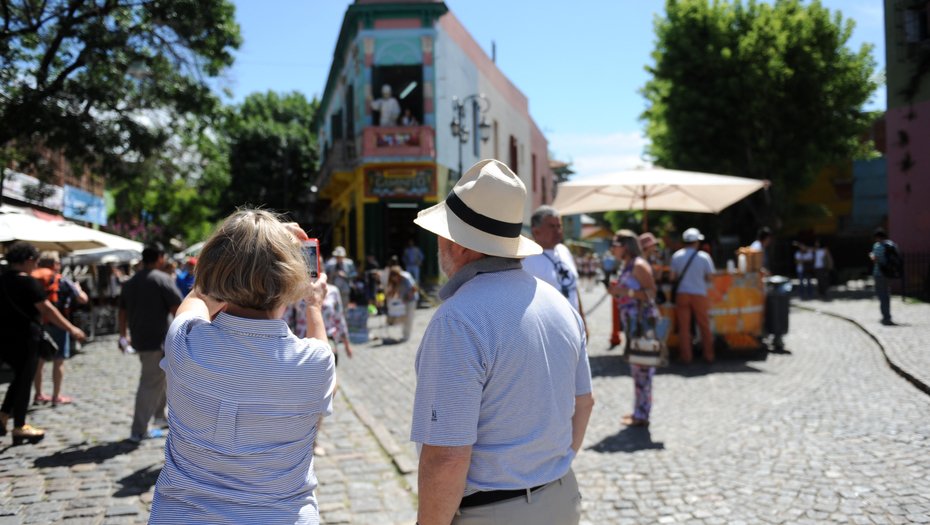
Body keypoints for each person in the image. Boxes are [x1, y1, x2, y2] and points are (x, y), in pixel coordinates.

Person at [410, 159, 594, 525]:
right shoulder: (558, 302)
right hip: (560, 497)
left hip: (492, 512)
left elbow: (446, 455)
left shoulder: (457, 320)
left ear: (456, 243)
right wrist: (544, 474)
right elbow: (584, 403)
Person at [149, 209, 335, 524]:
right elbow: (322, 347)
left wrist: (248, 243)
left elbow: (200, 294)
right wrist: (314, 305)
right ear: (292, 277)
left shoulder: (185, 341)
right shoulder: (313, 363)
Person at [0, 242, 86, 445]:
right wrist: (71, 329)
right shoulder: (28, 283)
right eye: (35, 261)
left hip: (3, 338)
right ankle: (19, 425)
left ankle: (4, 415)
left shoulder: (1, 281)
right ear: (29, 260)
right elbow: (48, 310)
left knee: (19, 378)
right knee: (24, 379)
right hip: (26, 337)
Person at [118, 243, 183, 442]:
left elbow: (121, 312)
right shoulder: (162, 279)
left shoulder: (130, 282)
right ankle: (138, 430)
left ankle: (159, 417)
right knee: (149, 383)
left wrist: (122, 336)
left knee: (160, 379)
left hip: (140, 338)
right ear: (159, 258)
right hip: (158, 340)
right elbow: (178, 308)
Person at [608, 230, 659, 427]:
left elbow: (651, 293)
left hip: (642, 323)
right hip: (633, 324)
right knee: (638, 369)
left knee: (643, 369)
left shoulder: (638, 265)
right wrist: (618, 292)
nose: (612, 248)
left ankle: (642, 414)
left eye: (615, 244)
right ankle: (639, 411)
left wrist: (624, 291)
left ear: (626, 246)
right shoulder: (628, 265)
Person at [31, 251, 88, 406]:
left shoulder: (33, 280)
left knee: (39, 361)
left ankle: (39, 394)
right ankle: (56, 396)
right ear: (55, 265)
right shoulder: (63, 280)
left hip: (39, 324)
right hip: (60, 324)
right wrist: (79, 288)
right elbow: (83, 299)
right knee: (59, 360)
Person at [522, 205, 588, 329]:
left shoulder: (564, 250)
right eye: (552, 226)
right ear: (536, 231)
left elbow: (573, 286)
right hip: (550, 328)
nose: (558, 230)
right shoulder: (527, 258)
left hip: (574, 325)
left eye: (559, 226)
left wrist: (583, 319)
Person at [670, 227, 716, 364]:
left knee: (684, 328)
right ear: (697, 241)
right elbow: (710, 278)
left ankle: (686, 356)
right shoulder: (704, 257)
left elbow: (672, 277)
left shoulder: (676, 256)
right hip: (699, 294)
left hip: (682, 294)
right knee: (704, 325)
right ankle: (709, 355)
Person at [869, 228, 899, 325]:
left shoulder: (877, 246)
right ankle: (888, 315)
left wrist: (871, 256)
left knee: (881, 295)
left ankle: (885, 316)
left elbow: (875, 259)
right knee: (887, 294)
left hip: (879, 273)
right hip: (889, 273)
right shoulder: (892, 244)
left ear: (877, 237)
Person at [386, 265, 418, 342]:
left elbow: (414, 289)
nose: (395, 279)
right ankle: (404, 334)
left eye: (395, 277)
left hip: (411, 300)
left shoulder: (405, 278)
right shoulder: (394, 281)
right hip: (403, 301)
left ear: (398, 274)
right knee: (404, 317)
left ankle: (407, 336)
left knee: (409, 318)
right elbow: (394, 290)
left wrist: (406, 297)